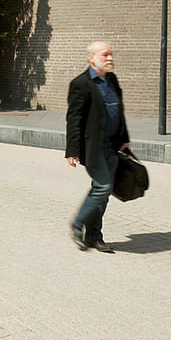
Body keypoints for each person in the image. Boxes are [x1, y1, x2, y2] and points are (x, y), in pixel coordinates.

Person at [65, 40, 130, 254]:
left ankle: (94, 236)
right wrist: (72, 150)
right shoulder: (80, 84)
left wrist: (125, 137)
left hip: (113, 145)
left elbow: (118, 111)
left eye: (111, 54)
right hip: (93, 147)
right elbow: (74, 118)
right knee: (102, 187)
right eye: (105, 55)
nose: (110, 58)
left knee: (103, 191)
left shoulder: (111, 79)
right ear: (91, 58)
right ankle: (77, 223)